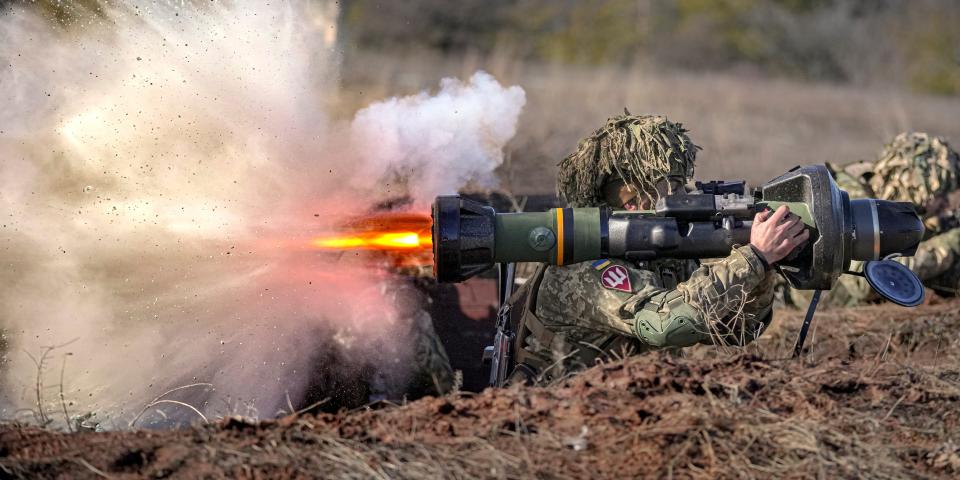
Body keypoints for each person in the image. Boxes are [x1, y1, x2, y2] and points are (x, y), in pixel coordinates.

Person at [504, 114, 809, 383]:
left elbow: (736, 330)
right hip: (554, 418)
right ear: (631, 201)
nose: (680, 196)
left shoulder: (660, 259)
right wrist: (753, 258)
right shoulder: (585, 268)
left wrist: (763, 266)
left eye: (678, 186)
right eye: (665, 189)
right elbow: (664, 324)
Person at [783, 132, 960, 307]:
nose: (944, 205)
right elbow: (868, 281)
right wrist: (947, 247)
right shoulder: (845, 200)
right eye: (940, 196)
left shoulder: (878, 194)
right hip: (793, 306)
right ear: (919, 188)